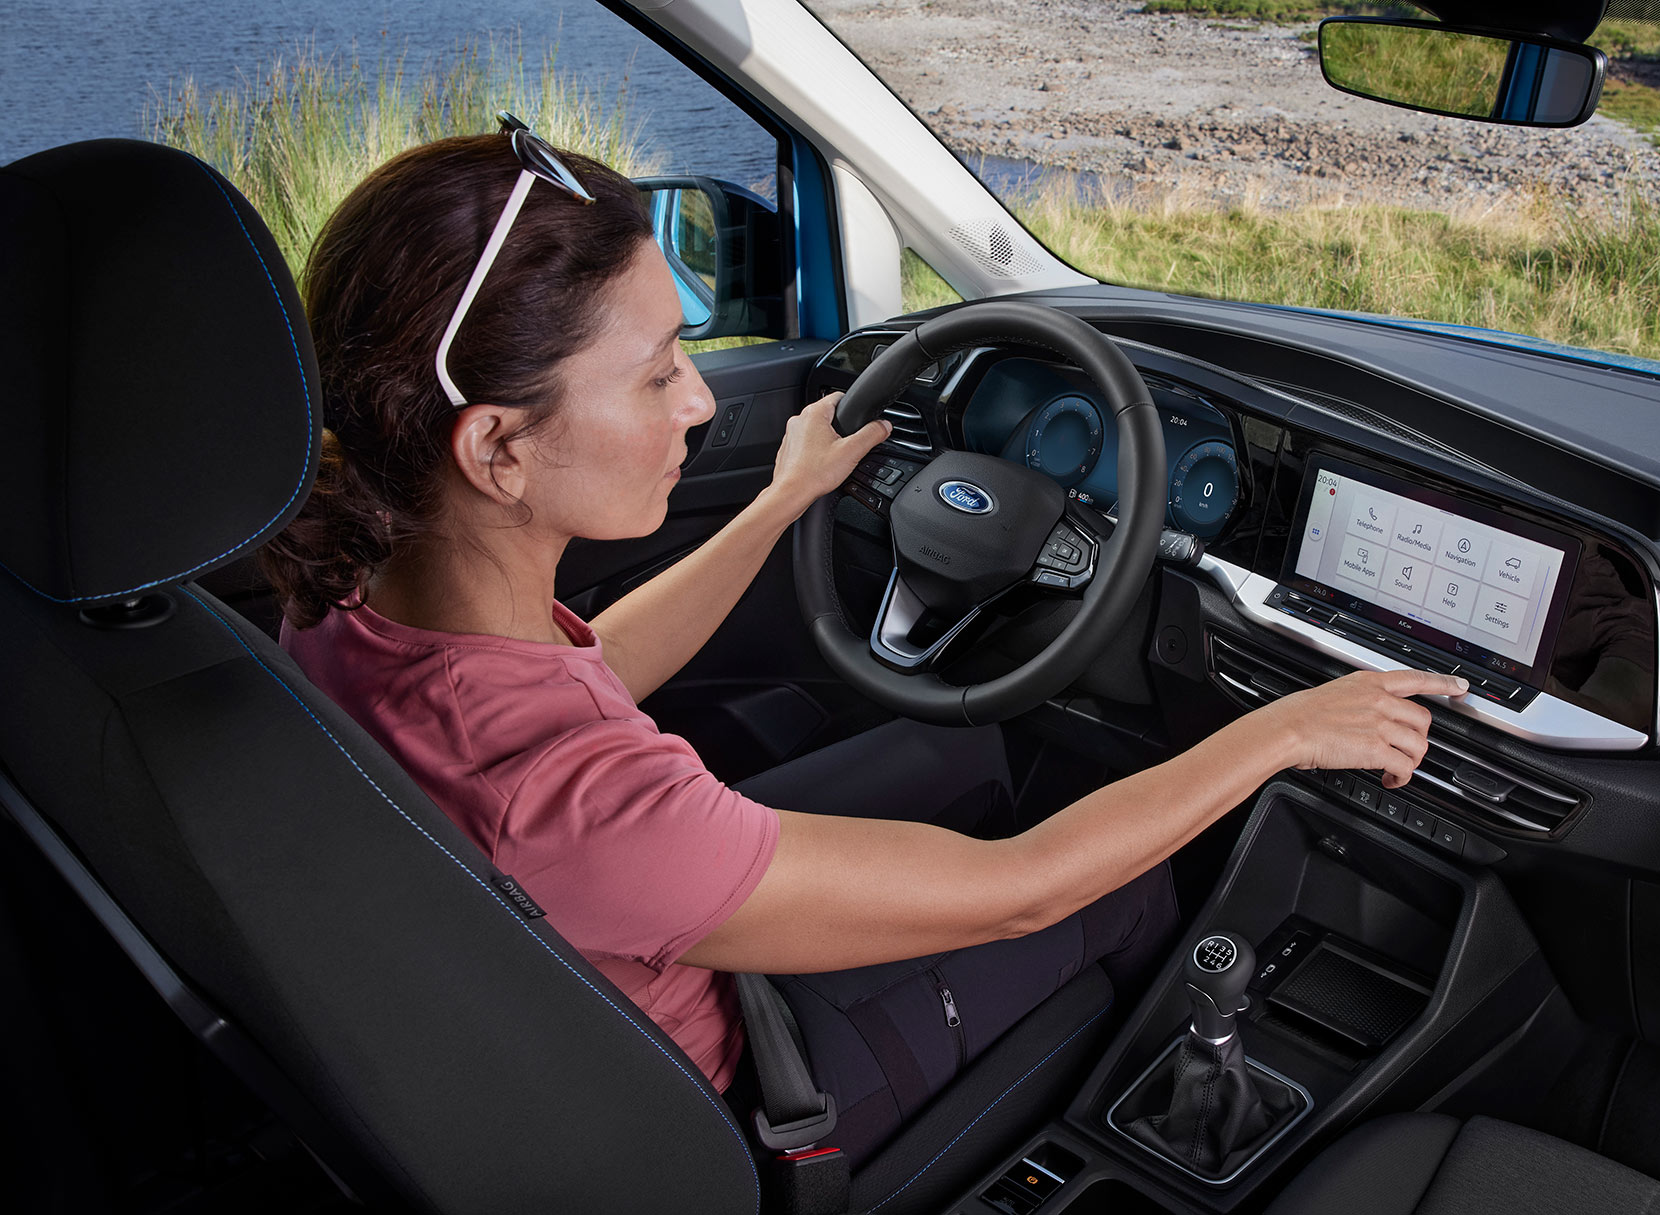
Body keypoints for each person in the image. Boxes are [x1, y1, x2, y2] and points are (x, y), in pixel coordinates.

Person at [263, 126, 1462, 1163]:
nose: (696, 401)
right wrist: (1288, 730)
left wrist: (782, 502)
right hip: (759, 1095)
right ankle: (1133, 1124)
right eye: (658, 375)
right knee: (1120, 889)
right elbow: (1017, 892)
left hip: (572, 998)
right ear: (496, 450)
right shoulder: (575, 803)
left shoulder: (343, 593)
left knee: (960, 757)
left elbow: (594, 673)